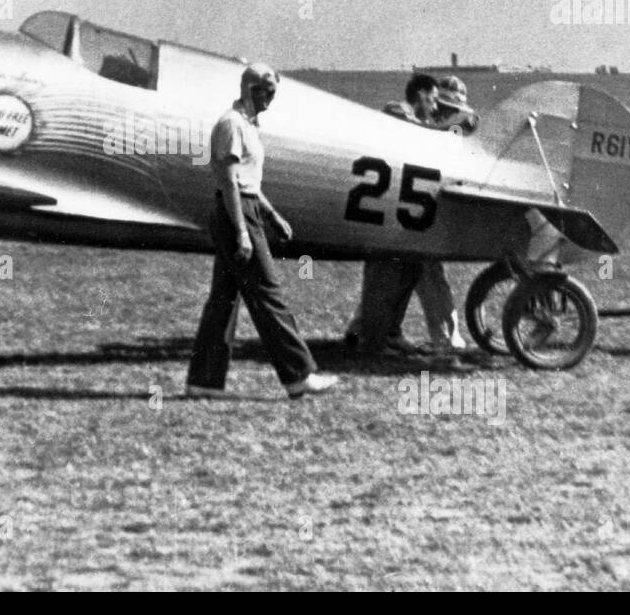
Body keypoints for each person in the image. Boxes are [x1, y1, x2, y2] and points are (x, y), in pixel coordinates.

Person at [186, 63, 340, 400]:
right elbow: (228, 182)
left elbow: (249, 181)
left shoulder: (249, 126)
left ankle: (204, 381)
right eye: (268, 92)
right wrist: (242, 231)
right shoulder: (231, 124)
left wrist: (271, 216)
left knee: (223, 300)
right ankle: (299, 375)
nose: (271, 98)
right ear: (251, 89)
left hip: (246, 208)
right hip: (236, 213)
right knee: (268, 293)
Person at [348, 74, 475, 358]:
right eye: (436, 102)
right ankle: (443, 337)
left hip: (403, 207)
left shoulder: (435, 125)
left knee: (400, 272)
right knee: (412, 270)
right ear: (423, 96)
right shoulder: (399, 112)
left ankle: (369, 329)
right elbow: (416, 132)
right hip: (388, 206)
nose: (437, 108)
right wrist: (452, 124)